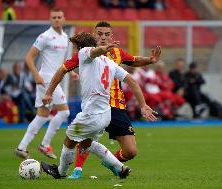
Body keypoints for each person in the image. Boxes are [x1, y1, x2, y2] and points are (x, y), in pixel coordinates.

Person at [40, 32, 157, 179]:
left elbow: (94, 51)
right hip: (105, 115)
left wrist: (102, 49)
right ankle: (120, 168)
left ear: (81, 46)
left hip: (91, 115)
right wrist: (143, 104)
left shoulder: (84, 52)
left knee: (69, 140)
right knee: (88, 143)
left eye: (76, 47)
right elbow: (132, 81)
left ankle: (60, 172)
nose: (76, 51)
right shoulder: (110, 63)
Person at [15, 8, 78, 159]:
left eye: (59, 17)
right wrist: (36, 75)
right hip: (46, 79)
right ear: (50, 20)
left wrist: (71, 71)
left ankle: (21, 147)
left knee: (42, 115)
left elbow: (60, 61)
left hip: (55, 79)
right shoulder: (45, 37)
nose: (57, 19)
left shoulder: (64, 37)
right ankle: (45, 144)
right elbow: (29, 57)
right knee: (65, 112)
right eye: (54, 17)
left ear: (63, 19)